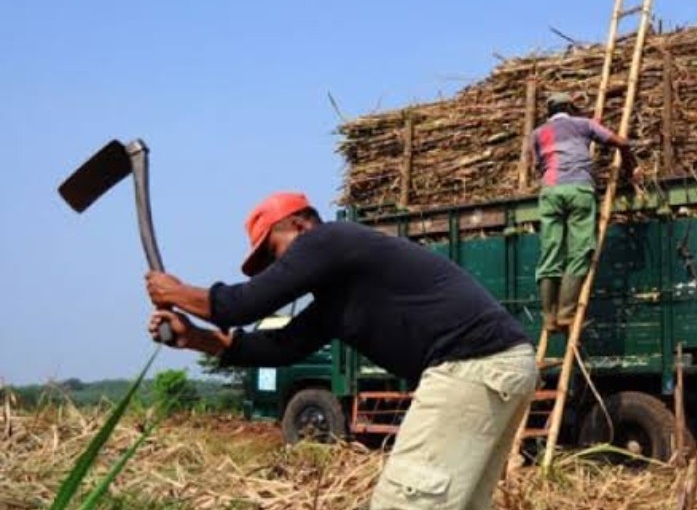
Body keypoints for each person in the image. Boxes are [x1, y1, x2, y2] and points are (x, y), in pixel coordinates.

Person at [145, 191, 538, 510]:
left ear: (299, 224)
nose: (273, 267)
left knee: (402, 504)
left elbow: (242, 305)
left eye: (273, 251)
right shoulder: (338, 296)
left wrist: (174, 292)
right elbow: (280, 346)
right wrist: (194, 337)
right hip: (495, 366)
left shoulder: (328, 238)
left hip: (471, 365)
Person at [531, 92, 638, 332]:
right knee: (579, 251)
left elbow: (538, 165)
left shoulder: (538, 133)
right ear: (569, 107)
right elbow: (621, 142)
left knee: (550, 252)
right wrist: (629, 165)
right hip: (579, 189)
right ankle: (566, 314)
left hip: (550, 191)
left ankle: (548, 318)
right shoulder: (583, 124)